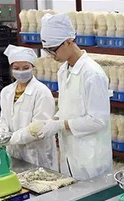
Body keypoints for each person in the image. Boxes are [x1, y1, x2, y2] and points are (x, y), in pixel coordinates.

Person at [36, 13, 112, 180]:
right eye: (47, 51)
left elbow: (98, 120)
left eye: (53, 50)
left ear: (69, 41)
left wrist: (60, 125)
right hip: (70, 153)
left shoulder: (92, 74)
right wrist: (53, 120)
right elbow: (68, 108)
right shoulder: (64, 70)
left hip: (91, 158)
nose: (50, 55)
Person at [0, 45, 56, 169]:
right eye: (16, 68)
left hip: (36, 154)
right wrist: (2, 135)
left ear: (32, 68)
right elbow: (4, 118)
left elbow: (38, 128)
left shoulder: (42, 92)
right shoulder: (6, 92)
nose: (21, 71)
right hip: (13, 152)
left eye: (25, 68)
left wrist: (10, 139)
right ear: (11, 69)